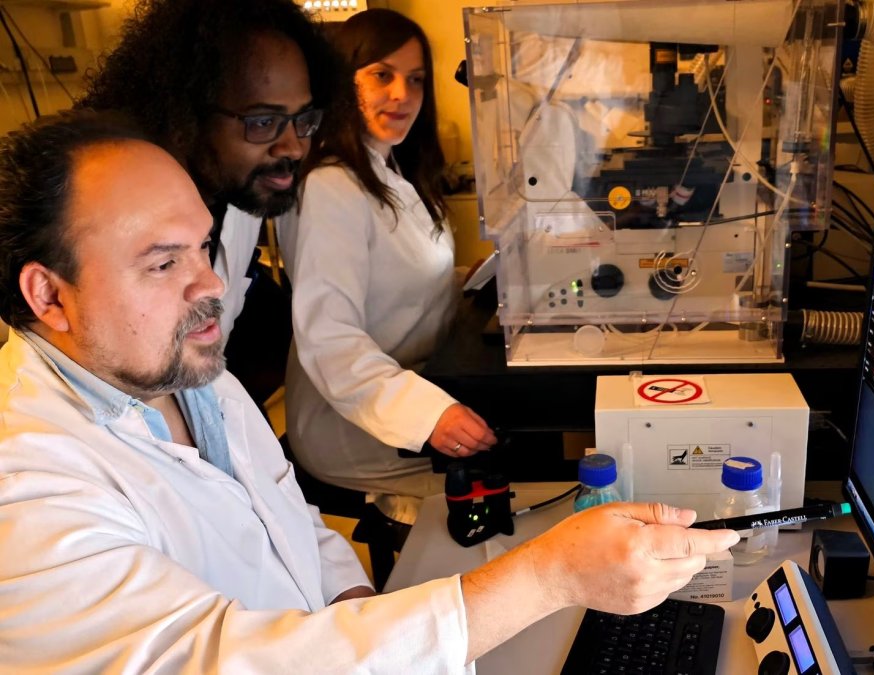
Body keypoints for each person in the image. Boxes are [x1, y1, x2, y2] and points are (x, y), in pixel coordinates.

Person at [0, 110, 739, 671]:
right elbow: (223, 659)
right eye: (163, 264)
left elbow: (294, 523)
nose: (213, 285)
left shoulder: (188, 373)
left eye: (202, 247)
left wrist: (367, 618)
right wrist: (550, 575)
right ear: (50, 295)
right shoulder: (24, 485)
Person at [278, 9, 493, 519]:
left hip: (423, 377)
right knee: (510, 467)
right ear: (340, 80)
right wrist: (425, 413)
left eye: (415, 80)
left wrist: (463, 278)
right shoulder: (331, 185)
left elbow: (397, 280)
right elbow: (330, 336)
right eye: (382, 75)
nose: (403, 94)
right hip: (354, 418)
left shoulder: (394, 171)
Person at [78, 0, 334, 404]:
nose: (294, 146)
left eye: (303, 118)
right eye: (263, 122)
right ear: (187, 114)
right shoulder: (111, 223)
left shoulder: (239, 194)